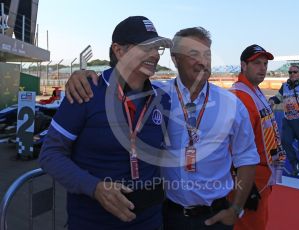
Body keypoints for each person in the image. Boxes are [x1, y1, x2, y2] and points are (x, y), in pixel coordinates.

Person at [65, 27, 260, 230]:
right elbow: (119, 82)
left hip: (216, 216)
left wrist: (235, 209)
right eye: (193, 54)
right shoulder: (155, 96)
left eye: (207, 54)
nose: (203, 61)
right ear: (175, 60)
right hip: (168, 215)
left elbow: (246, 157)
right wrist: (83, 76)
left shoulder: (232, 105)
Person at [39, 16, 173, 230]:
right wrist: (95, 188)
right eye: (147, 47)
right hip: (93, 222)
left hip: (151, 221)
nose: (156, 54)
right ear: (119, 51)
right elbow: (50, 154)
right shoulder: (85, 92)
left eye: (158, 48)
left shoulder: (163, 99)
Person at [230, 44, 285, 230]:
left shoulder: (255, 91)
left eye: (265, 64)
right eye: (256, 63)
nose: (262, 68)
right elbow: (228, 146)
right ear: (243, 65)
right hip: (250, 180)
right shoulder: (239, 96)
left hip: (263, 177)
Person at [269, 65, 299, 176]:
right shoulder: (284, 86)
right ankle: (295, 163)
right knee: (285, 142)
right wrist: (271, 101)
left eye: (295, 72)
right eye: (290, 72)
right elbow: (278, 97)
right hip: (288, 120)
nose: (292, 74)